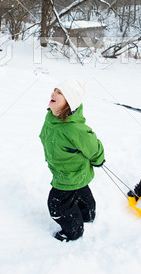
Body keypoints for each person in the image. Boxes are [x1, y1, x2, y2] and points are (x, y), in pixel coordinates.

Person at [39, 79, 105, 242]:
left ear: (69, 103)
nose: (53, 93)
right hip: (67, 170)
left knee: (57, 206)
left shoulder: (74, 128)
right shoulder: (52, 118)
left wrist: (98, 159)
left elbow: (92, 146)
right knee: (80, 189)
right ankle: (87, 214)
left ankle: (73, 231)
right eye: (54, 90)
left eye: (60, 92)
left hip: (69, 174)